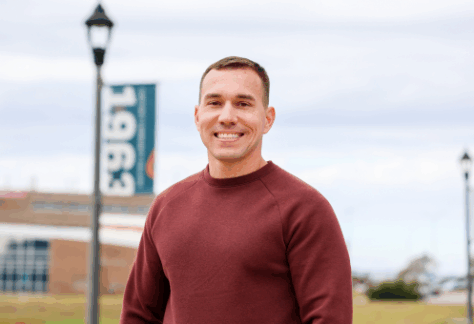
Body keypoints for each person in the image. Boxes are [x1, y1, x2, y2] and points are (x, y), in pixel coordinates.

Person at [120, 56, 353, 324]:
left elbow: (329, 318)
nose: (227, 117)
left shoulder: (304, 208)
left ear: (267, 119)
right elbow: (139, 315)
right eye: (214, 103)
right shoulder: (166, 206)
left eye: (243, 104)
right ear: (198, 117)